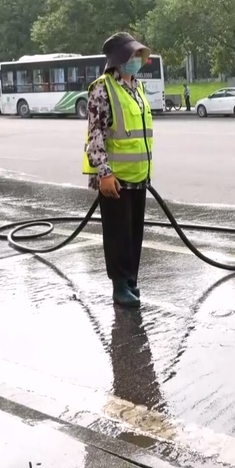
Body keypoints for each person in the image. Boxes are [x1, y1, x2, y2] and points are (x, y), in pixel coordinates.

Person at [82, 31, 155, 309]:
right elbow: (96, 134)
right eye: (133, 54)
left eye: (139, 54)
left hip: (138, 176)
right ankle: (119, 286)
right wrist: (104, 172)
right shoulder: (102, 88)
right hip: (114, 177)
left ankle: (131, 280)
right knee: (118, 234)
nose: (138, 59)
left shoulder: (137, 87)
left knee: (135, 232)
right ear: (120, 59)